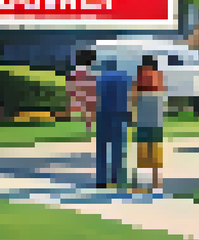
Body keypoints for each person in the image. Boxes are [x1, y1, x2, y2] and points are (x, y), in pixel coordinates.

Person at [132, 55, 167, 195]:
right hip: (156, 120)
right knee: (155, 150)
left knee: (142, 150)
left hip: (143, 119)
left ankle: (141, 182)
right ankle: (156, 181)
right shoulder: (159, 77)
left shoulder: (139, 77)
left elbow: (134, 97)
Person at [94, 57, 132, 190]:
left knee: (101, 150)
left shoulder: (100, 78)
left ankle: (101, 180)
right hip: (118, 114)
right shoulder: (124, 77)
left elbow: (97, 97)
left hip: (103, 114)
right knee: (117, 148)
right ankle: (116, 178)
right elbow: (128, 97)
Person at [67, 49, 98, 135]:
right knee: (90, 112)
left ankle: (88, 128)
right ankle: (89, 128)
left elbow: (71, 85)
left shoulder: (76, 71)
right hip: (89, 94)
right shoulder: (91, 71)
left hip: (81, 94)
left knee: (86, 112)